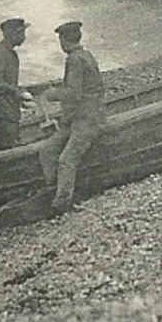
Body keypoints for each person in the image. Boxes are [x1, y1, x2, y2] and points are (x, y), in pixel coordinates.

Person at [38, 21, 105, 213]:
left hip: (88, 120)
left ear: (63, 40)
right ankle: (54, 190)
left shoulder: (75, 59)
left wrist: (52, 94)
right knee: (47, 150)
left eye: (60, 39)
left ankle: (62, 204)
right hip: (81, 118)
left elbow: (73, 94)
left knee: (66, 160)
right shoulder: (85, 55)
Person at [0, 18, 32, 151]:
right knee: (7, 145)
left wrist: (17, 89)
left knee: (9, 141)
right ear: (14, 35)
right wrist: (15, 91)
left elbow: (3, 80)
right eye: (22, 33)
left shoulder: (9, 53)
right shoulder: (0, 52)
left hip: (8, 107)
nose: (24, 37)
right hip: (2, 109)